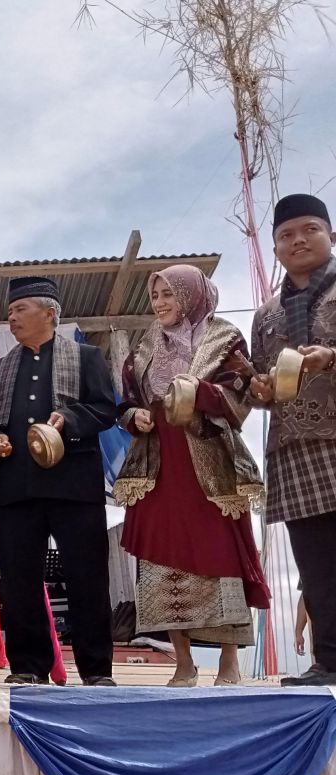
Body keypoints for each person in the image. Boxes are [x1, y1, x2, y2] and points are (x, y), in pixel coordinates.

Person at [114, 264, 270, 687]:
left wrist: (197, 392)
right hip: (158, 463)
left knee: (220, 555)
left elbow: (241, 391)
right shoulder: (145, 345)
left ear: (191, 296)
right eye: (156, 296)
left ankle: (228, 663)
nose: (161, 304)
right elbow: (126, 400)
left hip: (209, 461)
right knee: (161, 558)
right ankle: (182, 662)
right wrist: (134, 416)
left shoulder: (224, 338)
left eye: (169, 294)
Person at [0, 276, 118, 686]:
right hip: (18, 490)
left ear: (49, 313)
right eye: (11, 310)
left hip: (75, 488)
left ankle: (96, 670)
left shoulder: (87, 357)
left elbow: (105, 408)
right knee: (20, 580)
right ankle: (28, 667)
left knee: (87, 577)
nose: (12, 317)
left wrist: (69, 420)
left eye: (20, 310)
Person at [248, 193, 336, 686]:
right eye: (286, 235)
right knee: (317, 567)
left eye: (309, 229)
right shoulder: (266, 315)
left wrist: (332, 355)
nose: (298, 240)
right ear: (276, 247)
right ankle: (329, 663)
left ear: (330, 235)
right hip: (294, 448)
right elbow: (267, 381)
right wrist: (260, 390)